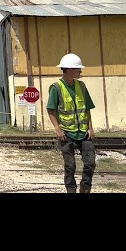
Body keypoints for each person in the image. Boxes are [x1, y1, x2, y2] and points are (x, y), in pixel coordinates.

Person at [46, 53, 96, 193]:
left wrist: (90, 128)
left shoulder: (82, 86)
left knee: (90, 163)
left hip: (83, 133)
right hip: (66, 133)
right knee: (70, 165)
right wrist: (58, 129)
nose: (80, 71)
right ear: (68, 70)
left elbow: (86, 109)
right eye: (78, 69)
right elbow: (51, 110)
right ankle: (71, 190)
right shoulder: (56, 88)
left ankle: (85, 189)